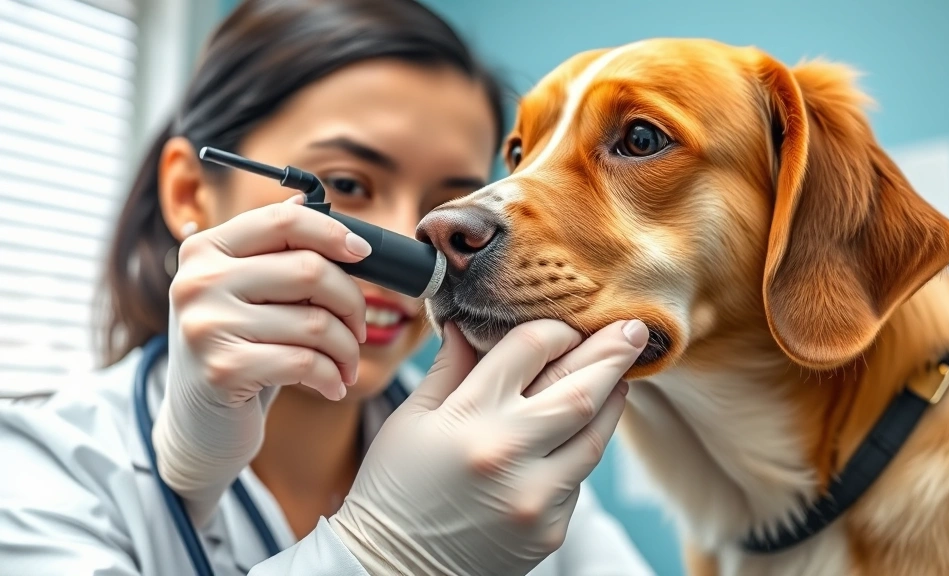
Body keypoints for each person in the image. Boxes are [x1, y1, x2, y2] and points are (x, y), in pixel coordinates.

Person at [0, 1, 657, 574]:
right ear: (189, 191)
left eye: (451, 203)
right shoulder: (33, 476)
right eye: (345, 185)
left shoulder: (506, 461)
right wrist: (380, 555)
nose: (412, 242)